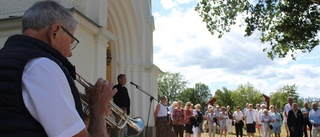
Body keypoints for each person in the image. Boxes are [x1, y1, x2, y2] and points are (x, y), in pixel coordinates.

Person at [0, 1, 117, 136]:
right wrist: (98, 112)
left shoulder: (9, 58)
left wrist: (85, 112)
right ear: (55, 32)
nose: (70, 53)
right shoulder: (42, 67)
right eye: (71, 42)